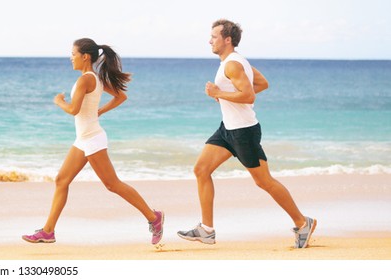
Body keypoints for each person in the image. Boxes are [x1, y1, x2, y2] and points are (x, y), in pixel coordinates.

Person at [176, 19, 317, 249]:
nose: (209, 40)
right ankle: (207, 230)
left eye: (214, 36)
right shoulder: (234, 62)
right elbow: (261, 83)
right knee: (201, 169)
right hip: (228, 129)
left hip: (244, 132)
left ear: (227, 39)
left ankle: (303, 223)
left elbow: (249, 95)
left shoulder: (233, 64)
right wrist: (229, 93)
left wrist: (219, 93)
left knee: (264, 182)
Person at [22, 38, 164, 245]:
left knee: (112, 184)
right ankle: (48, 231)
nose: (70, 58)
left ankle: (154, 217)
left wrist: (59, 101)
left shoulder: (86, 80)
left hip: (92, 139)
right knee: (62, 180)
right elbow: (121, 97)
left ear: (85, 56)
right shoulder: (94, 78)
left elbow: (73, 110)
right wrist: (100, 111)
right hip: (84, 138)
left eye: (73, 54)